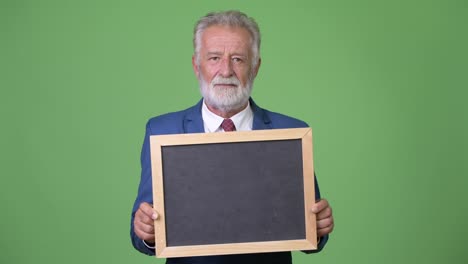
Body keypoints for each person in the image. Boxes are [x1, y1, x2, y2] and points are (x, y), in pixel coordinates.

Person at [130, 10, 334, 264]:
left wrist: (318, 226)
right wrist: (145, 231)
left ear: (255, 67)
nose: (225, 70)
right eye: (214, 58)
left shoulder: (290, 133)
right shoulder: (162, 130)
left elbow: (308, 230)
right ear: (197, 65)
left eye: (238, 59)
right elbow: (143, 231)